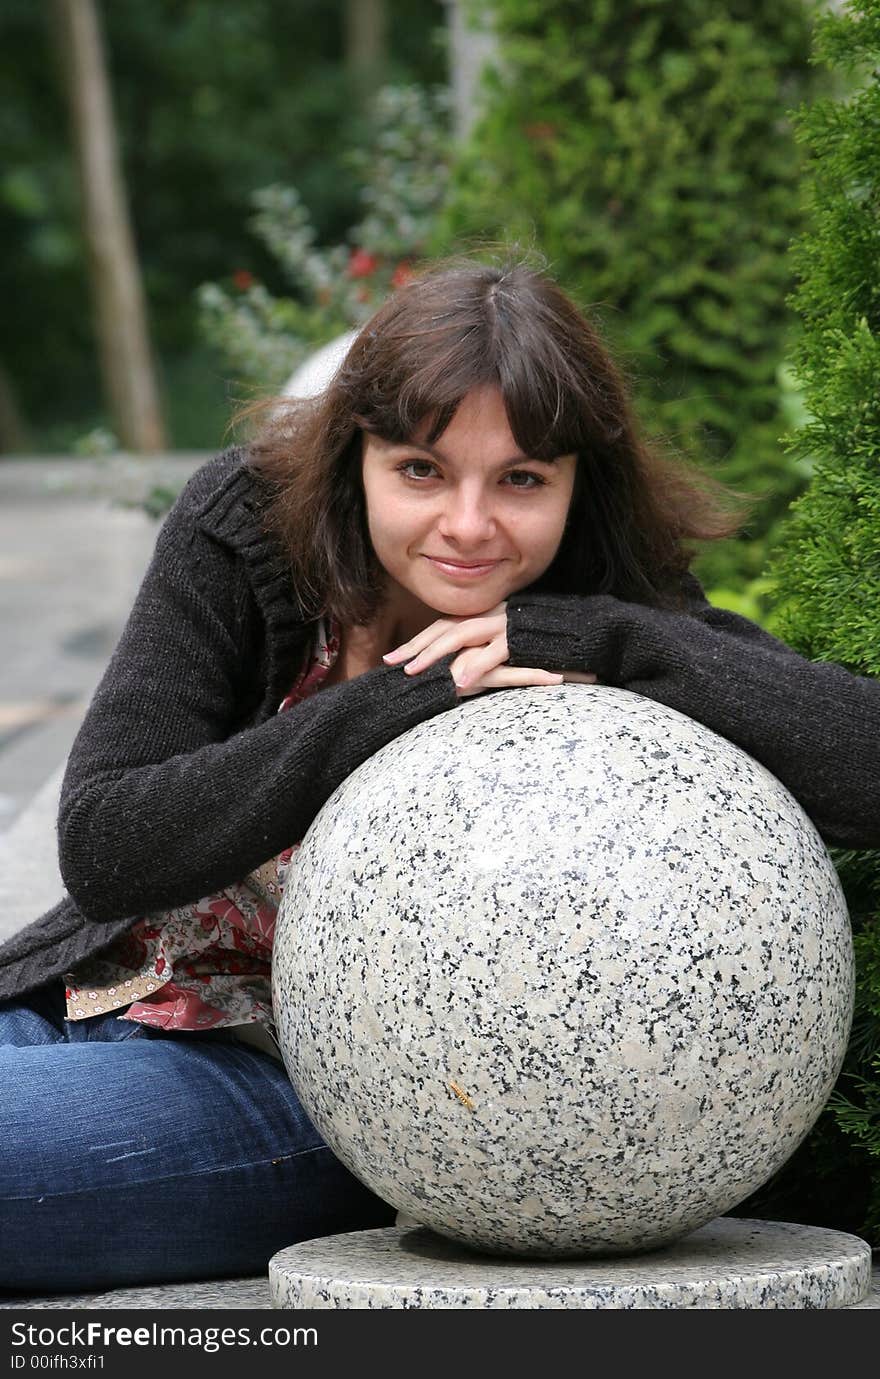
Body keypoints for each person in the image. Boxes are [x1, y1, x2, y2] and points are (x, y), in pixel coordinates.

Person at [1, 258, 878, 1296]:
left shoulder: (600, 598)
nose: (468, 526)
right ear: (354, 458)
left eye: (520, 478)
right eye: (420, 469)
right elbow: (108, 844)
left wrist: (608, 634)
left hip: (329, 1096)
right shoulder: (245, 528)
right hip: (102, 993)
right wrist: (401, 697)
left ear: (574, 484)